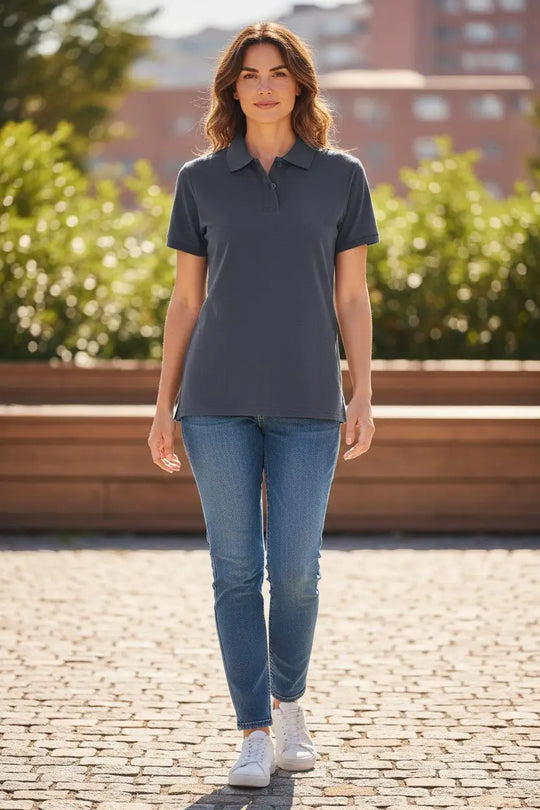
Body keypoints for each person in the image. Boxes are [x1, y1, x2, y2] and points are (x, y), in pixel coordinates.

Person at [147, 21, 379, 789]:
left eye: (278, 72)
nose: (265, 86)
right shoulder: (201, 180)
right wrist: (162, 405)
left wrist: (363, 389)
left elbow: (352, 295)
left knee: (299, 571)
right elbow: (186, 301)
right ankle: (252, 730)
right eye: (250, 74)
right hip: (214, 403)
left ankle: (289, 706)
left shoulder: (341, 176)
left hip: (308, 402)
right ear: (232, 89)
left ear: (300, 84)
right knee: (236, 570)